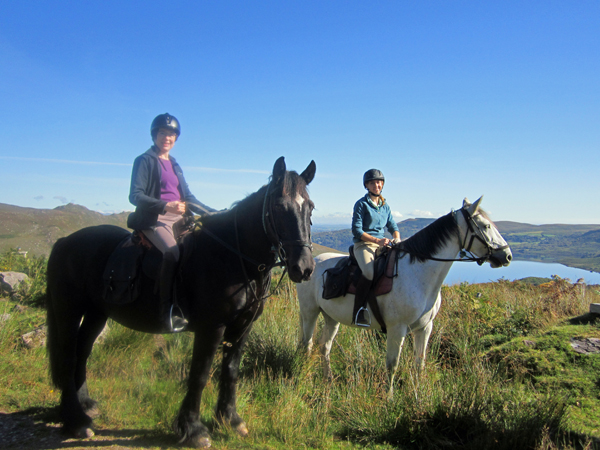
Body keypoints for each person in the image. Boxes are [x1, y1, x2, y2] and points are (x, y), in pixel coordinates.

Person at [127, 113, 215, 332]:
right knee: (172, 253)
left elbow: (189, 198)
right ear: (154, 135)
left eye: (172, 134)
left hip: (180, 218)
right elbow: (135, 195)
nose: (167, 137)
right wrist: (165, 206)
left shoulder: (175, 164)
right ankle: (166, 310)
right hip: (154, 219)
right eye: (163, 133)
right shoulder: (144, 160)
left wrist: (214, 213)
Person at [351, 169, 401, 326]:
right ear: (366, 185)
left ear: (383, 184)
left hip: (383, 243)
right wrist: (376, 240)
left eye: (379, 182)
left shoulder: (385, 205)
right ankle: (359, 311)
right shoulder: (361, 204)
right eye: (372, 183)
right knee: (369, 272)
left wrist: (397, 238)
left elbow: (393, 225)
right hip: (364, 244)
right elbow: (357, 230)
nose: (376, 185)